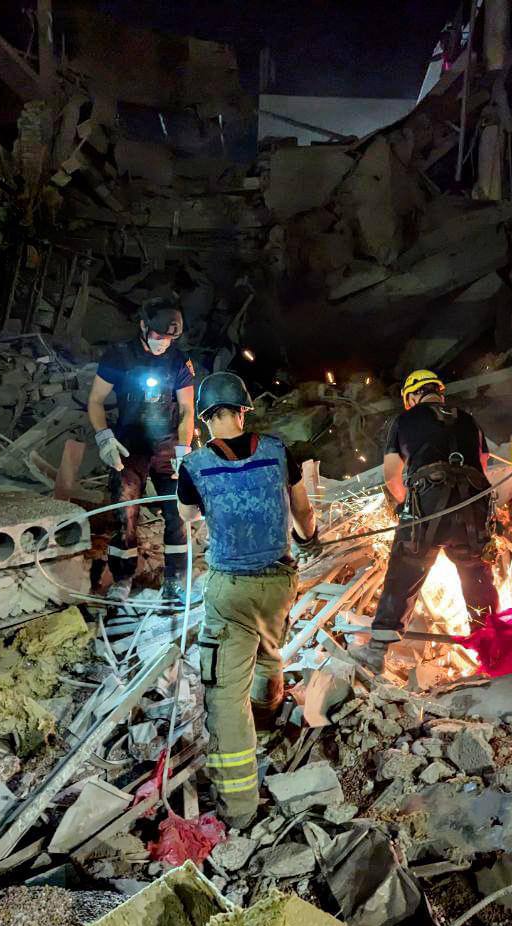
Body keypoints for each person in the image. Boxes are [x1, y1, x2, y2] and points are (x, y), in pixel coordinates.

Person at [175, 372, 318, 827]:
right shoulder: (277, 451)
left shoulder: (195, 465)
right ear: (243, 410)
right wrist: (309, 537)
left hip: (230, 588)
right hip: (279, 581)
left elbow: (187, 516)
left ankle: (238, 808)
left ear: (205, 419)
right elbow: (303, 511)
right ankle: (269, 716)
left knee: (224, 697)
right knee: (269, 650)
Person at [359, 370, 498, 674]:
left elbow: (392, 475)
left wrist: (405, 507)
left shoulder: (403, 420)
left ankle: (377, 651)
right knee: (476, 572)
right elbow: (482, 466)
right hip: (472, 508)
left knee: (406, 567)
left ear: (412, 396)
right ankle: (491, 653)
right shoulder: (468, 420)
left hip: (428, 503)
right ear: (439, 393)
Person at [88, 294, 195, 604]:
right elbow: (95, 400)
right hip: (130, 443)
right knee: (126, 511)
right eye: (159, 335)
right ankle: (122, 578)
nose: (164, 343)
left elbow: (187, 408)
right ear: (143, 326)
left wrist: (184, 449)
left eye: (170, 339)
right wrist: (104, 437)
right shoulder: (119, 356)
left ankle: (175, 580)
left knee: (177, 511)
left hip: (167, 444)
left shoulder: (178, 361)